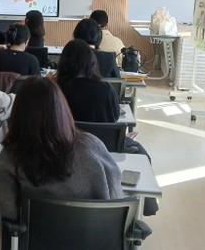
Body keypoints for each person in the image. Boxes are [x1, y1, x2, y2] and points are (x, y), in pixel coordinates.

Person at [0, 76, 123, 221]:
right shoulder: (92, 146)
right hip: (94, 231)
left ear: (18, 113)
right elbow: (115, 194)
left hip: (36, 234)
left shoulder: (10, 156)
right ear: (62, 108)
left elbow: (7, 209)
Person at [56, 39, 157, 215]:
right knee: (141, 152)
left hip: (62, 148)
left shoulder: (55, 89)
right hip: (106, 148)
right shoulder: (105, 89)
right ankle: (146, 206)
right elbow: (114, 118)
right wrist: (119, 136)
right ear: (91, 62)